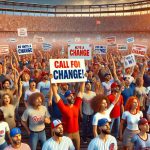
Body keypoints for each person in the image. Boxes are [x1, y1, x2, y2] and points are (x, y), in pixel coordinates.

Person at [51, 80, 85, 150]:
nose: (72, 97)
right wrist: (52, 82)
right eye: (69, 96)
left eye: (72, 95)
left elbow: (81, 92)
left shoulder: (76, 106)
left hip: (76, 133)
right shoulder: (63, 107)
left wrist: (83, 80)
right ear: (66, 98)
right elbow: (56, 95)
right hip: (67, 134)